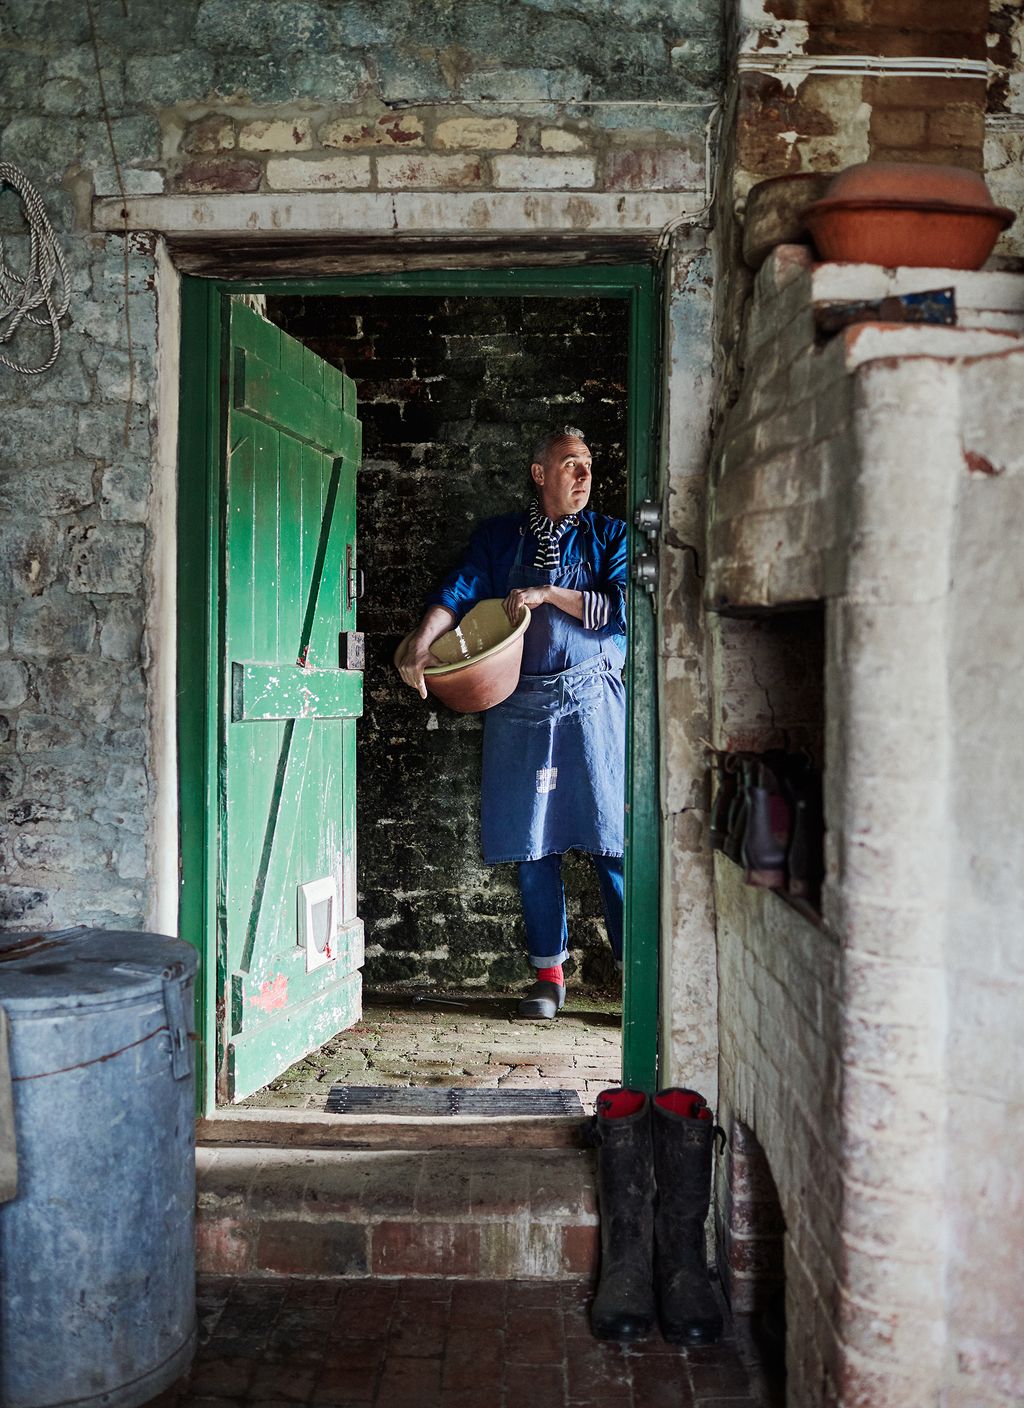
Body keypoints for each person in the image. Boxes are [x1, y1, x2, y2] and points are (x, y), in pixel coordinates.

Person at [396, 427, 629, 1019]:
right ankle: (548, 976)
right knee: (532, 845)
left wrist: (551, 593)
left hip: (592, 702)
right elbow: (461, 588)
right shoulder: (501, 537)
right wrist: (418, 645)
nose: (582, 476)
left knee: (614, 844)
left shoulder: (609, 536)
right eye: (570, 464)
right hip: (520, 707)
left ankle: (636, 980)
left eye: (588, 466)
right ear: (538, 473)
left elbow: (626, 606)